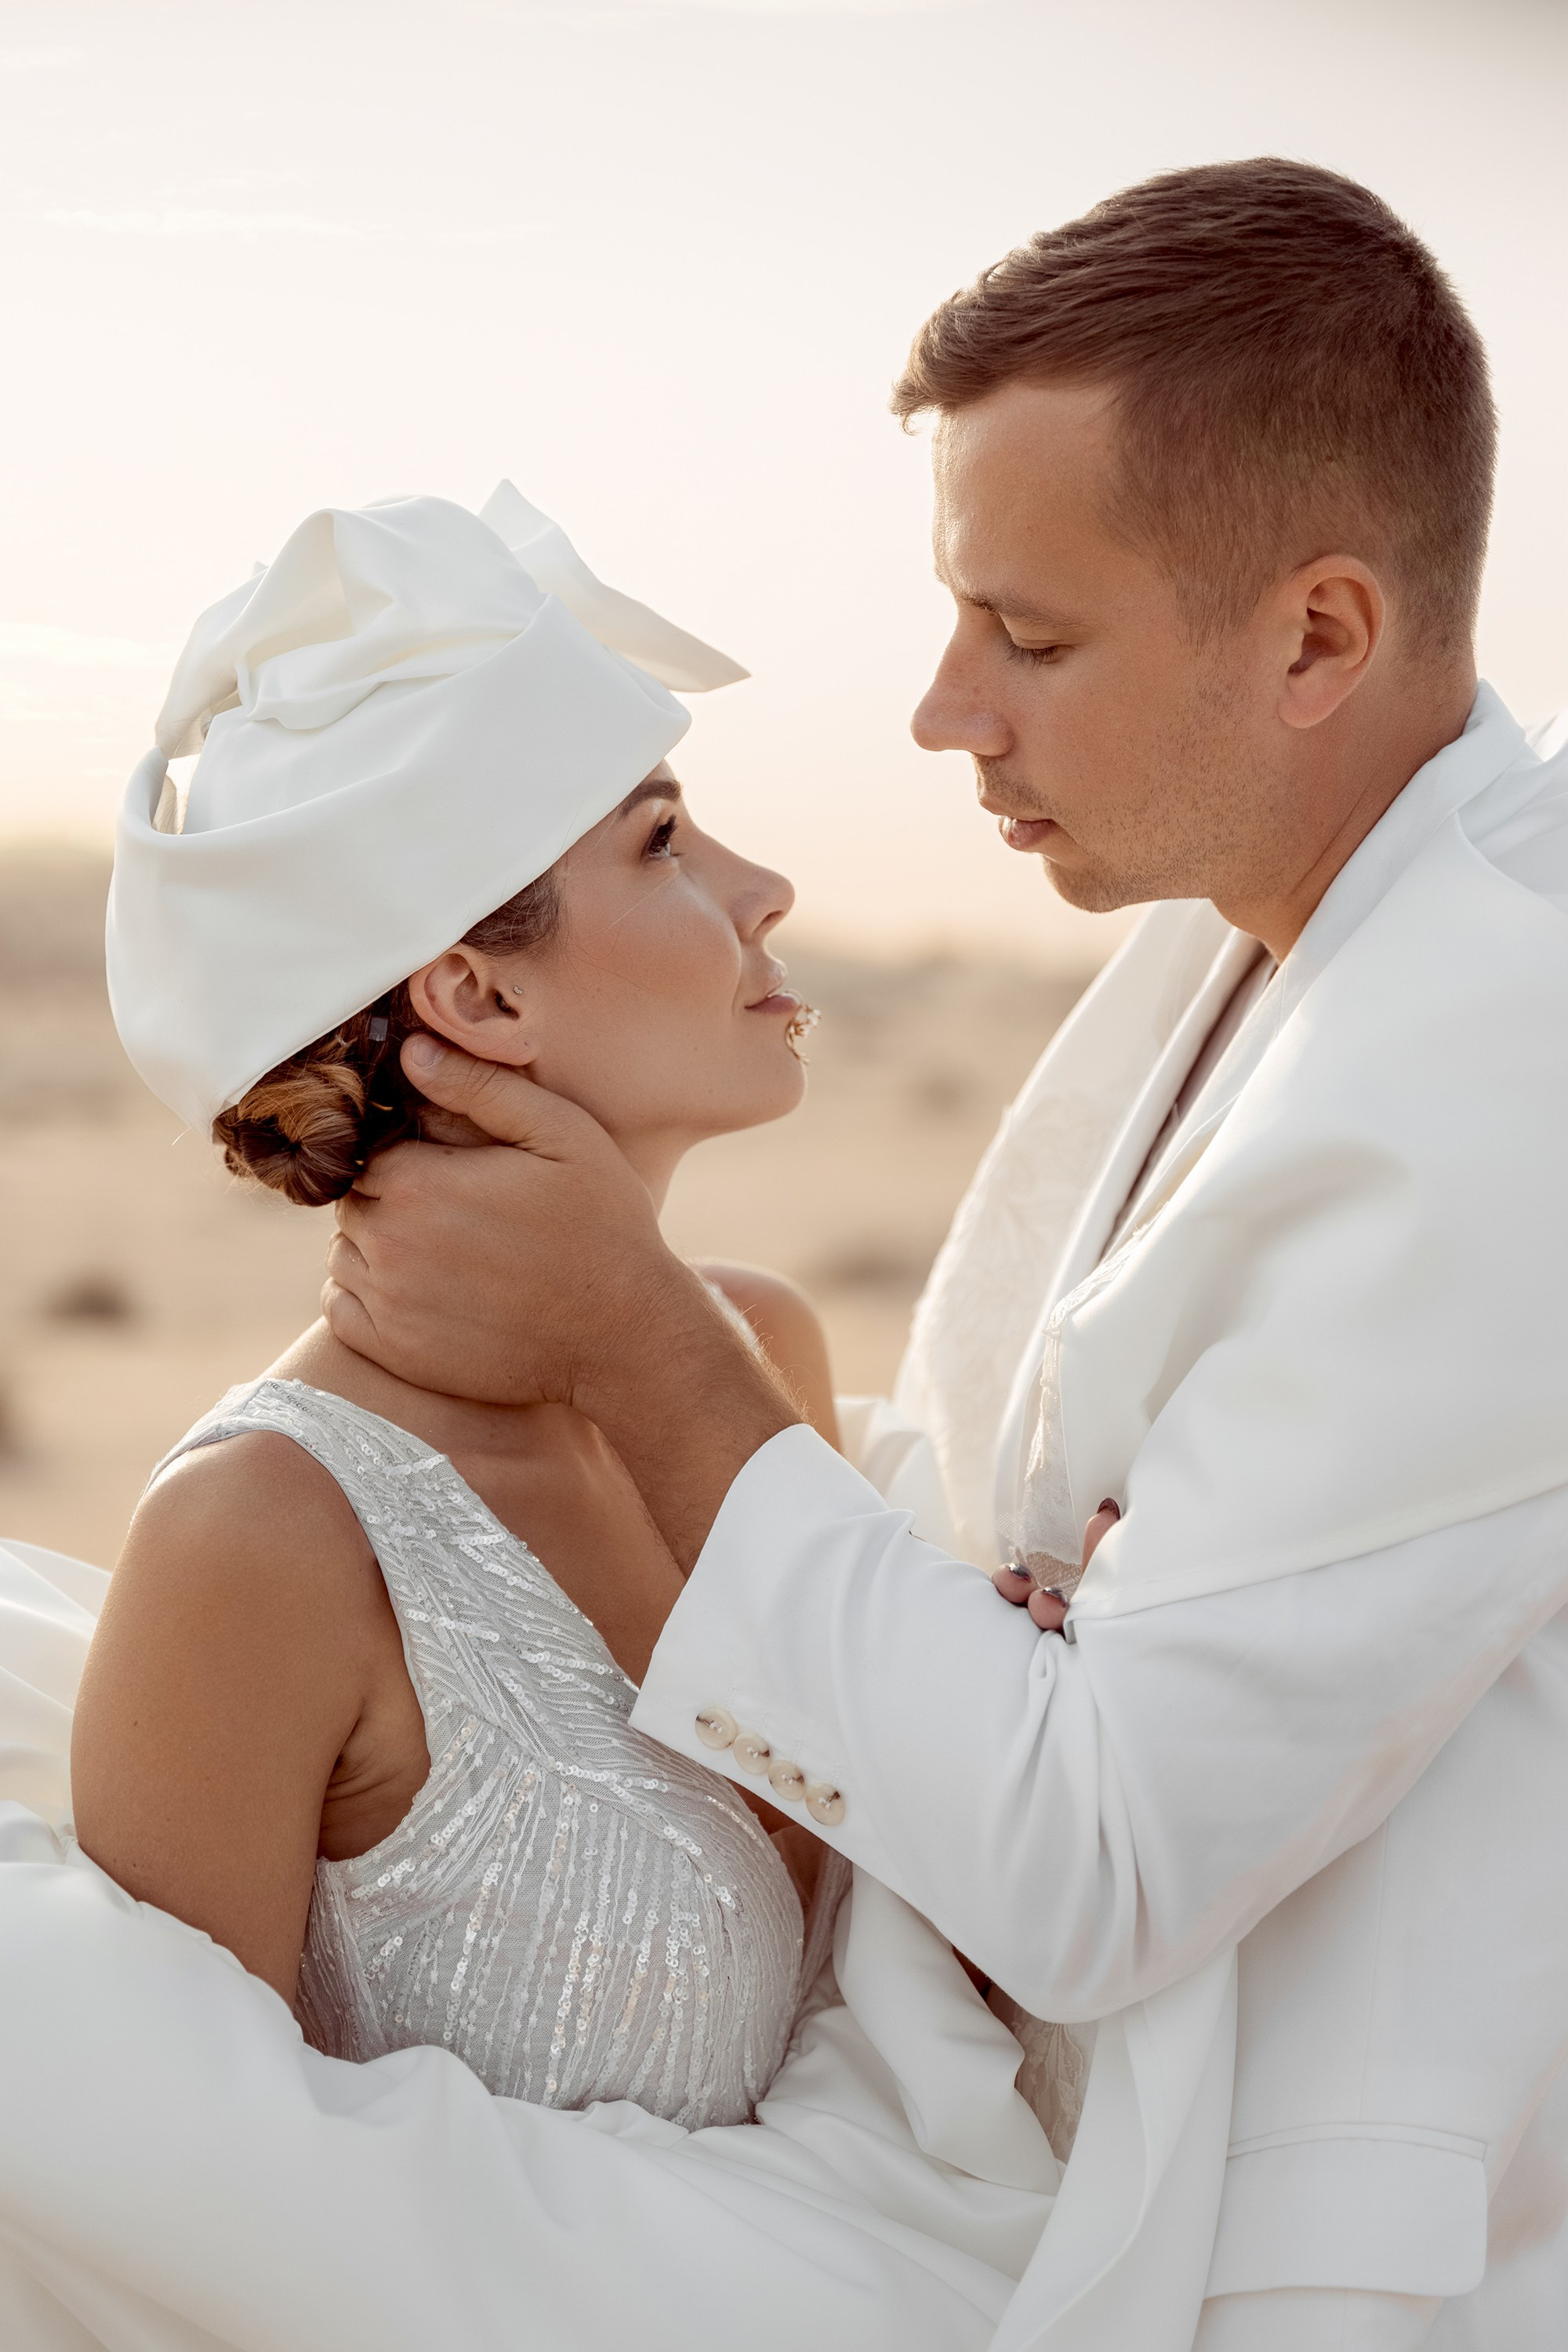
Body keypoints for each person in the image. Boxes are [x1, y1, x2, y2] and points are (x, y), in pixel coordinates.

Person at [318, 162, 1568, 2349]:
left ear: (1320, 637)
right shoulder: (1276, 923)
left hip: (1274, 2239)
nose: (937, 715)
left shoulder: (1501, 1053)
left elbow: (1098, 1876)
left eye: (1033, 636)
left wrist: (652, 1360)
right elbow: (1075, 1514)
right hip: (958, 2086)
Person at [0, 480, 1070, 2351]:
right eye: (663, 840)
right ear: (474, 988)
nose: (762, 887)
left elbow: (901, 1958)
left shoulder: (751, 1360)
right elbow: (191, 2246)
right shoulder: (263, 1542)